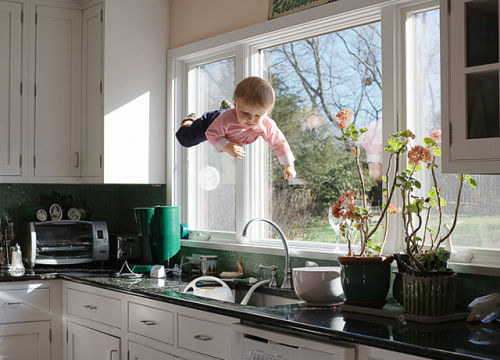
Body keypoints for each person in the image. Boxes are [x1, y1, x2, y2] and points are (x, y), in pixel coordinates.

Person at [176, 77, 296, 180]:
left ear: (266, 112)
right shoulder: (226, 120)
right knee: (185, 140)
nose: (251, 119)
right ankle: (189, 120)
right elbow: (211, 134)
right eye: (245, 113)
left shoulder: (267, 124)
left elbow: (279, 142)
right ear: (236, 104)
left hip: (230, 122)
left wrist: (289, 165)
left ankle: (227, 109)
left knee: (232, 115)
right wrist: (226, 146)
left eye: (258, 115)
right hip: (211, 123)